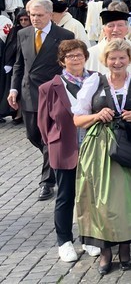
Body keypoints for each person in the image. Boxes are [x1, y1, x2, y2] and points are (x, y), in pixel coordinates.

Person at [71, 39, 131, 274]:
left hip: (129, 147)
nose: (117, 62)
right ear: (105, 60)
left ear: (129, 59)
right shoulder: (94, 82)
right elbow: (77, 120)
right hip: (99, 149)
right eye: (112, 58)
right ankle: (105, 251)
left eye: (121, 57)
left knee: (127, 199)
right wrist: (96, 115)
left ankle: (125, 247)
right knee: (100, 200)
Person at [36, 39, 99, 262]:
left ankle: (90, 238)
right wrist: (55, 143)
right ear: (62, 61)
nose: (75, 59)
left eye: (79, 55)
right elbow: (43, 124)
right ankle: (64, 241)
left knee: (91, 196)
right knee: (65, 196)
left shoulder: (97, 80)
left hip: (94, 147)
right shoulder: (49, 88)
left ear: (85, 57)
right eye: (70, 56)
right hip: (64, 149)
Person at [7, 0, 75, 201]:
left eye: (39, 15)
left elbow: (67, 67)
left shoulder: (64, 35)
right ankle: (55, 158)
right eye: (32, 15)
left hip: (53, 94)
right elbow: (19, 64)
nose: (35, 19)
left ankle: (47, 182)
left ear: (50, 14)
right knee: (33, 135)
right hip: (28, 93)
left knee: (50, 139)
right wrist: (13, 89)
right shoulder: (23, 34)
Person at [88, 10, 131, 76]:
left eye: (120, 25)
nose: (115, 30)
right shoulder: (91, 54)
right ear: (104, 30)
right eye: (111, 26)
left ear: (127, 29)